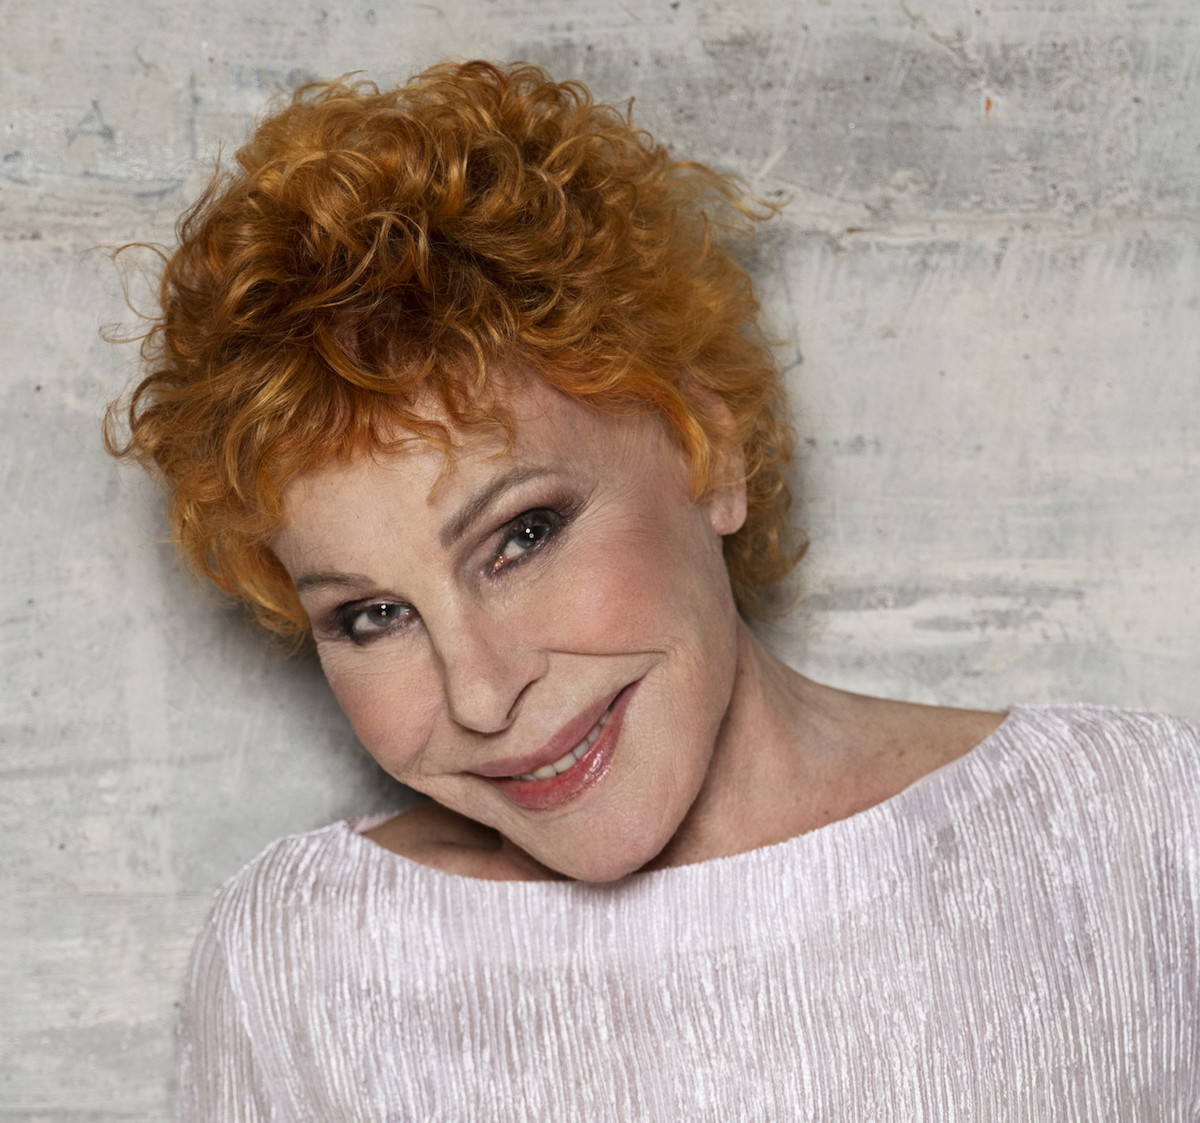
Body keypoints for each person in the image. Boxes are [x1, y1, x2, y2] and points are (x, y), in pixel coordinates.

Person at [107, 60, 1199, 1120]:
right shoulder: (304, 965)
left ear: (707, 451)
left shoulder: (1128, 827)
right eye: (374, 615)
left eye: (521, 536)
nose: (480, 693)